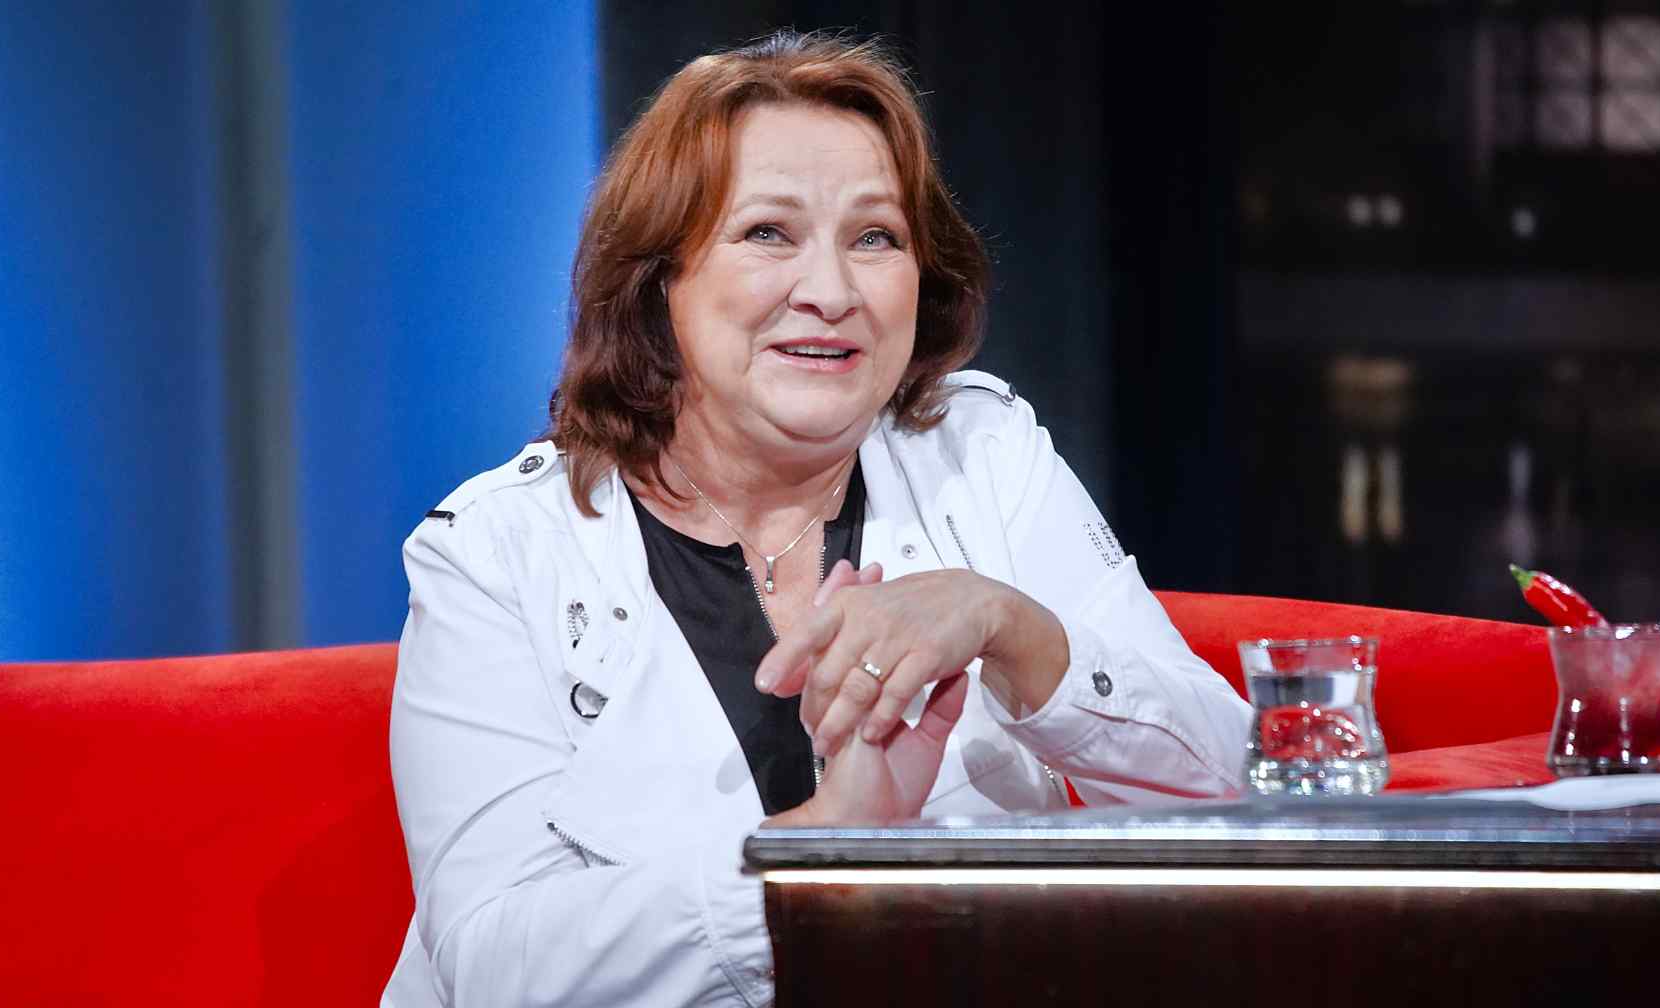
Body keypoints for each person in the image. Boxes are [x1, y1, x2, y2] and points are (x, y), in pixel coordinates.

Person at [381, 29, 1250, 1007]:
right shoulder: (495, 550)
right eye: (768, 233)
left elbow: (1235, 792)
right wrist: (820, 859)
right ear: (659, 278)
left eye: (875, 237)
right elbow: (494, 966)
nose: (831, 293)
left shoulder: (980, 452)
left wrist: (1011, 625)